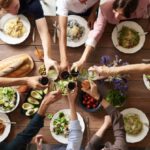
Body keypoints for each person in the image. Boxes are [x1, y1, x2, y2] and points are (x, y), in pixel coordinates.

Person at [71, 0, 150, 70]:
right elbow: (97, 30)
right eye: (115, 11)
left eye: (121, 15)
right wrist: (82, 60)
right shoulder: (106, 5)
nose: (116, 17)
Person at [0, 0, 59, 74]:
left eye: (16, 6)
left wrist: (47, 57)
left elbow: (43, 31)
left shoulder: (34, 4)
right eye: (8, 10)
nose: (14, 13)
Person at [56, 0, 99, 71]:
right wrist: (63, 60)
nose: (83, 2)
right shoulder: (63, 1)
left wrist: (93, 12)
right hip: (70, 10)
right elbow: (62, 30)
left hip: (90, 9)